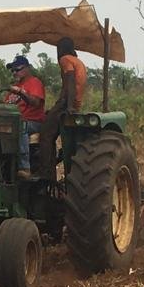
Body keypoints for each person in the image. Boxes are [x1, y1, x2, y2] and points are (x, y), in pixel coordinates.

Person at [37, 37, 87, 181]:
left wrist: (68, 106)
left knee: (45, 134)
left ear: (61, 49)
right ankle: (54, 163)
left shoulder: (65, 59)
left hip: (67, 103)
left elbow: (70, 82)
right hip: (72, 103)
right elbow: (67, 86)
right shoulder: (78, 61)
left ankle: (45, 173)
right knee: (49, 123)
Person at [5, 55, 46, 179]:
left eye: (17, 69)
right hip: (14, 122)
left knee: (21, 125)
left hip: (33, 122)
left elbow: (35, 102)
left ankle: (25, 168)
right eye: (12, 70)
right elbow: (5, 105)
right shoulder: (13, 88)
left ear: (27, 68)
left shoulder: (34, 83)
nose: (14, 73)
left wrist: (21, 92)